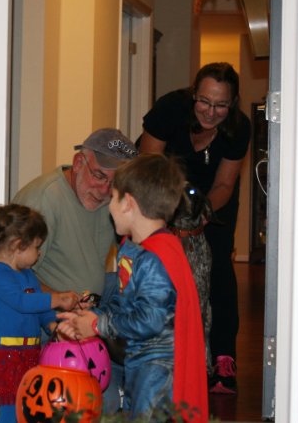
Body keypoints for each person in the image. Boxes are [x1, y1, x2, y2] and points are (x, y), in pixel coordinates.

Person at [57, 153, 209, 422]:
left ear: (128, 203)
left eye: (113, 197)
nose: (109, 206)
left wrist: (97, 325)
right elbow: (127, 301)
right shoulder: (138, 249)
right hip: (142, 364)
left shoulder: (155, 258)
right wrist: (88, 318)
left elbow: (149, 319)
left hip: (159, 370)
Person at [139, 62, 250, 394]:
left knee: (217, 267)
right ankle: (154, 352)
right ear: (193, 94)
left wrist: (199, 216)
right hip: (159, 183)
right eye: (204, 101)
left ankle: (223, 358)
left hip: (212, 196)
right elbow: (149, 166)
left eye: (221, 105)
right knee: (157, 267)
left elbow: (225, 184)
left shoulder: (238, 128)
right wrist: (166, 220)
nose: (211, 111)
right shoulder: (170, 109)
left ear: (232, 105)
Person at [12, 127, 138, 413]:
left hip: (88, 301)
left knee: (138, 289)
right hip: (46, 316)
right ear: (80, 162)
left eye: (115, 183)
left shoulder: (110, 200)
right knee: (93, 404)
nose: (105, 190)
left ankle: (122, 377)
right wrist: (59, 300)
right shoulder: (43, 200)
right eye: (99, 176)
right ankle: (110, 387)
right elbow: (16, 275)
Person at [0, 204, 79, 423]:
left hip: (29, 355)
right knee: (11, 413)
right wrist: (58, 299)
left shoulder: (28, 276)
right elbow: (23, 302)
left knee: (28, 409)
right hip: (6, 359)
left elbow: (39, 310)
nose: (39, 253)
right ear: (18, 246)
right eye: (36, 247)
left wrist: (54, 325)